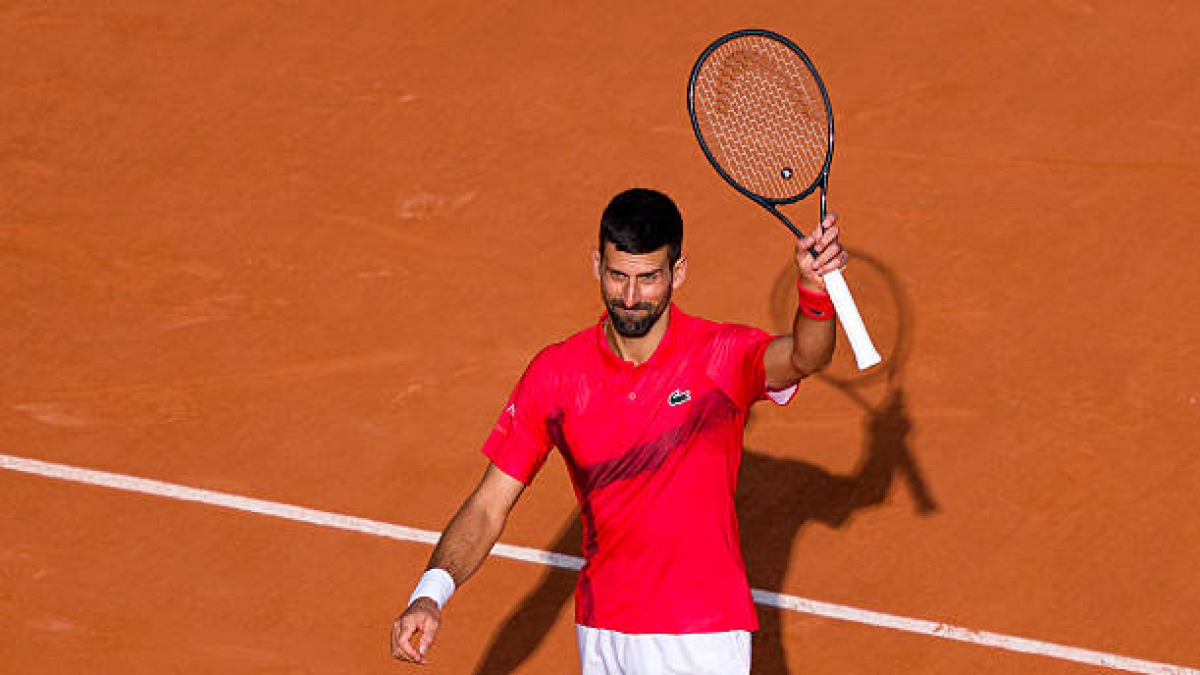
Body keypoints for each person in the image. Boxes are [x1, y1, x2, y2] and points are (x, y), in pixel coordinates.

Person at [391, 187, 848, 674]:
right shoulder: (556, 375)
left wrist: (815, 293)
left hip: (700, 635)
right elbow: (488, 505)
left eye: (648, 279)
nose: (630, 298)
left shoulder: (720, 356)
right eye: (618, 276)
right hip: (603, 631)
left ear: (677, 273)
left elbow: (806, 356)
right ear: (597, 265)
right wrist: (429, 595)